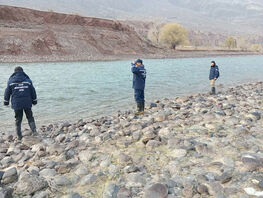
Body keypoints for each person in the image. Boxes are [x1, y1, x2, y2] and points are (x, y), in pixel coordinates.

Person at [4, 66, 38, 140]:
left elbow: (7, 92)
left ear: (14, 72)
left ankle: (19, 136)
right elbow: (33, 91)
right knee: (30, 117)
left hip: (17, 103)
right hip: (27, 102)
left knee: (18, 119)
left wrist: (6, 102)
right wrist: (34, 100)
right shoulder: (28, 80)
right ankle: (34, 131)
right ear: (22, 71)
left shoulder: (11, 81)